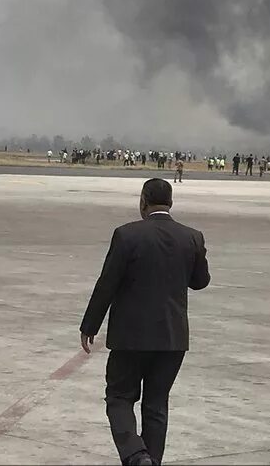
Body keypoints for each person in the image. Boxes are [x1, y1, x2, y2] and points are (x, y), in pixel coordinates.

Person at [80, 178, 210, 466]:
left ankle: (136, 455)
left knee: (119, 397)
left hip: (130, 337)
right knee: (156, 405)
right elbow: (201, 282)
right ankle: (150, 461)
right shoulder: (192, 237)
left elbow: (107, 284)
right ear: (171, 202)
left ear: (143, 201)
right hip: (172, 337)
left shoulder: (126, 235)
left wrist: (90, 325)